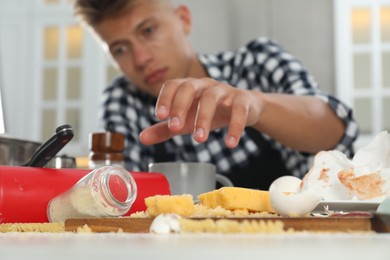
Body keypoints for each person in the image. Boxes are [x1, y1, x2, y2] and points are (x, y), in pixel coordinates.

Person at [72, 0, 359, 190]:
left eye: (148, 30)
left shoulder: (256, 62)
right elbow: (118, 197)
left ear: (183, 19)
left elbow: (334, 133)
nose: (141, 58)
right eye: (120, 49)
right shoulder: (123, 100)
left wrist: (258, 107)